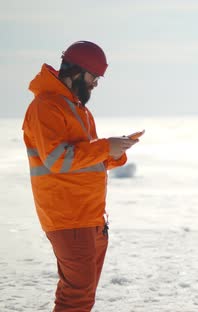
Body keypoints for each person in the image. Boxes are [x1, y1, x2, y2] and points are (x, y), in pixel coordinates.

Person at [22, 41, 139, 311]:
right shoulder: (46, 106)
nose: (96, 84)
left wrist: (115, 152)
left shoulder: (77, 109)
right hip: (69, 218)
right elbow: (57, 160)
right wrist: (104, 146)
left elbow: (83, 158)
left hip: (90, 217)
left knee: (81, 296)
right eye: (93, 77)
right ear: (75, 71)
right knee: (76, 299)